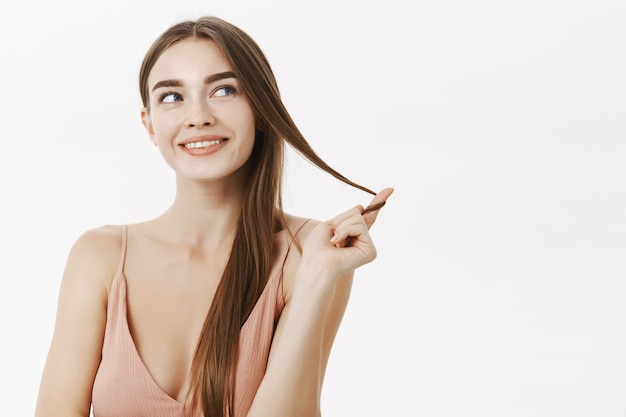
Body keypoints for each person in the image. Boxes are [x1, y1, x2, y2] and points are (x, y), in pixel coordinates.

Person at [35, 16, 392, 417]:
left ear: (260, 108)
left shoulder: (309, 254)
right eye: (172, 97)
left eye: (223, 90)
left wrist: (315, 279)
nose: (198, 116)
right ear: (149, 124)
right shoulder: (99, 256)